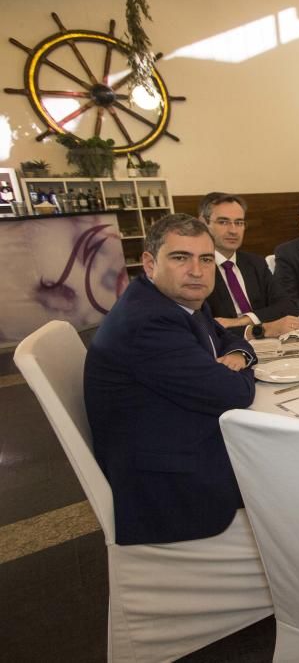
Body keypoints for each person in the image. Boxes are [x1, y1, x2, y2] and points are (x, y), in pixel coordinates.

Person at [84, 214, 257, 545]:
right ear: (149, 264)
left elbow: (228, 339)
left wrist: (238, 357)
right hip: (170, 487)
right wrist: (242, 370)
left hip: (170, 442)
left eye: (206, 259)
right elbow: (233, 392)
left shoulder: (179, 300)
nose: (196, 270)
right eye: (180, 258)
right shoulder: (149, 322)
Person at [200, 192, 299, 339]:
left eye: (239, 222)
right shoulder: (198, 270)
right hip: (227, 348)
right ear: (204, 223)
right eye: (223, 222)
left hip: (271, 343)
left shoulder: (255, 263)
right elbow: (205, 327)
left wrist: (242, 321)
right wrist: (261, 329)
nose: (233, 230)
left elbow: (287, 305)